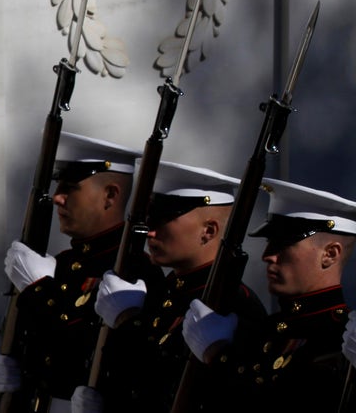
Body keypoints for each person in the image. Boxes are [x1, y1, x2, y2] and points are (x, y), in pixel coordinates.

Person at [71, 160, 266, 413]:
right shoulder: (160, 292)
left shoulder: (235, 306)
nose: (150, 232)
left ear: (208, 230)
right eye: (150, 219)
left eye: (163, 220)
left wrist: (128, 322)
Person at [0, 132, 156, 413]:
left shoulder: (135, 273)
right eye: (57, 188)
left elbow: (91, 352)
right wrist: (11, 376)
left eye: (69, 188)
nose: (57, 199)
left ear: (110, 195)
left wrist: (40, 290)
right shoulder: (61, 265)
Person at [181, 178, 356, 412]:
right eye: (269, 242)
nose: (267, 255)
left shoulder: (338, 341)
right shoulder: (266, 330)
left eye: (282, 245)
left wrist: (218, 355)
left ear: (330, 255)